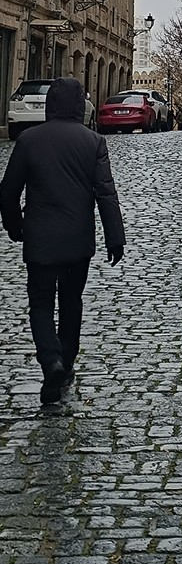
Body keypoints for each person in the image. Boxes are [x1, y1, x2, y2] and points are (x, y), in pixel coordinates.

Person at [0, 77, 125, 404]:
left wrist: (15, 227)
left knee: (40, 304)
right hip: (76, 242)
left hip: (40, 240)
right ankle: (66, 363)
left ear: (50, 105)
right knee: (72, 302)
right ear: (79, 105)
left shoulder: (29, 141)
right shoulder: (93, 141)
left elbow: (8, 191)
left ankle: (51, 360)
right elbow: (106, 194)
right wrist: (115, 238)